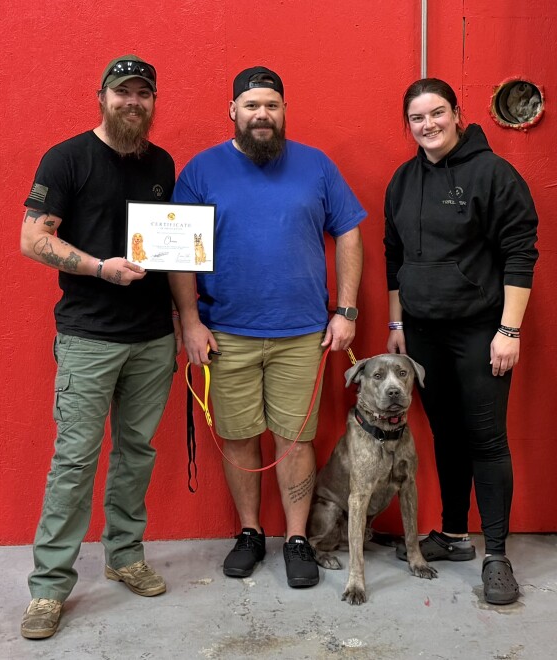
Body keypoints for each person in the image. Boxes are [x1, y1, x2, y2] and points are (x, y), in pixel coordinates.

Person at [171, 66, 365, 589]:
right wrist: (189, 322)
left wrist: (346, 311)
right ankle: (251, 533)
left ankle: (296, 538)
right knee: (237, 437)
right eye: (252, 105)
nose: (262, 114)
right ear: (232, 111)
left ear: (284, 111)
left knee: (295, 439)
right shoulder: (201, 170)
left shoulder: (316, 165)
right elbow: (179, 253)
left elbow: (348, 232)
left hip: (302, 334)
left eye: (272, 105)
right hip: (225, 331)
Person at [18, 54, 180, 639]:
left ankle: (124, 554)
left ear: (154, 101)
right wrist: (97, 268)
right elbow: (33, 239)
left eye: (144, 93)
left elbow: (172, 248)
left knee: (136, 452)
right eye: (123, 92)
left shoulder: (161, 162)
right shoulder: (66, 158)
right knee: (76, 460)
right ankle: (49, 587)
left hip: (153, 337)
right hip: (88, 337)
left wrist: (185, 314)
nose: (133, 102)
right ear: (102, 96)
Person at [383, 78, 538, 605]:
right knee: (446, 436)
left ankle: (496, 554)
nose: (428, 125)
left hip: (480, 331)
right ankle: (452, 536)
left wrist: (508, 330)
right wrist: (397, 326)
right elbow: (393, 259)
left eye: (437, 113)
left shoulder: (493, 174)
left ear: (457, 114)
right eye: (417, 118)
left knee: (486, 439)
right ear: (408, 125)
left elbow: (521, 251)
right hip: (423, 333)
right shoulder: (402, 181)